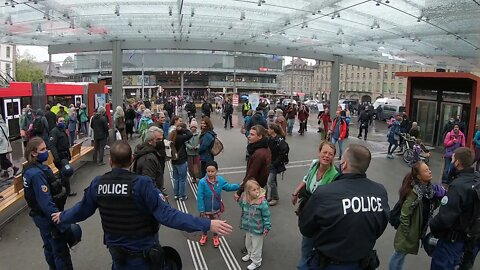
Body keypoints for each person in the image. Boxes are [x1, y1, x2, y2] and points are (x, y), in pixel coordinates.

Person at [51, 141, 233, 270]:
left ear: (110, 161)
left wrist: (62, 216)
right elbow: (168, 216)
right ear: (131, 159)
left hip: (117, 255)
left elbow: (82, 210)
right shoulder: (142, 184)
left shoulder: (99, 183)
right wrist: (207, 224)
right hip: (143, 255)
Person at [298, 144, 389, 270]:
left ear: (344, 165)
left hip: (329, 263)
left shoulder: (324, 193)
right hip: (361, 262)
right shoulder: (380, 192)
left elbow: (306, 228)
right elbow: (380, 225)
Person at [23, 137, 76, 270]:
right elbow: (45, 202)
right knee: (59, 251)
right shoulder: (36, 175)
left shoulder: (32, 169)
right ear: (34, 153)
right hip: (48, 218)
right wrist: (61, 221)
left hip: (41, 217)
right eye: (42, 149)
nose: (46, 151)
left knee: (49, 247)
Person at [429, 147, 480, 270]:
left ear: (457, 162)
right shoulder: (476, 178)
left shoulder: (457, 186)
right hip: (469, 240)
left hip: (451, 243)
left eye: (452, 159)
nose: (451, 162)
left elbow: (444, 219)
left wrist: (432, 224)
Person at [388, 161, 445, 270]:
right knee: (398, 254)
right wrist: (406, 233)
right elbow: (404, 215)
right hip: (408, 232)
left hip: (417, 230)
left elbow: (430, 209)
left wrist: (439, 198)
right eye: (426, 171)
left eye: (429, 169)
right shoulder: (414, 192)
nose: (430, 172)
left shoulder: (429, 190)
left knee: (402, 254)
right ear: (419, 176)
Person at [291, 141, 339, 269]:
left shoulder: (335, 175)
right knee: (307, 239)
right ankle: (305, 262)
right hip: (308, 207)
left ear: (333, 157)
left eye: (330, 154)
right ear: (319, 153)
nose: (326, 156)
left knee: (316, 241)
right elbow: (306, 178)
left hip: (322, 213)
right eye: (324, 152)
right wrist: (296, 191)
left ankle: (306, 265)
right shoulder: (314, 164)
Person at [197, 160, 240, 247]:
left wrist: (240, 186)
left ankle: (215, 237)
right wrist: (201, 209)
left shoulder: (220, 180)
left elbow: (228, 187)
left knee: (216, 224)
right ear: (206, 171)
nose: (210, 173)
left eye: (212, 171)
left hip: (216, 209)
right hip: (206, 209)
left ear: (217, 171)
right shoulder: (202, 182)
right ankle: (204, 235)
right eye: (208, 171)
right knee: (204, 223)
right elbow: (200, 197)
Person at [239, 178, 271, 270]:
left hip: (258, 228)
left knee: (256, 246)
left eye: (258, 188)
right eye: (254, 190)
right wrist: (240, 199)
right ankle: (249, 254)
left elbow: (266, 216)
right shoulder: (246, 200)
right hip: (248, 227)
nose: (257, 191)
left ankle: (256, 261)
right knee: (248, 243)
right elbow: (242, 206)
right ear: (248, 192)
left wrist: (267, 227)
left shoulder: (262, 203)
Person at [235, 125, 271, 200]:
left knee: (252, 210)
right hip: (260, 186)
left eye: (252, 134)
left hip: (255, 188)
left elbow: (251, 175)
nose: (248, 136)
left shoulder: (258, 154)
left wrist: (239, 192)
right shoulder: (265, 148)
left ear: (260, 136)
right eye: (249, 134)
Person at [132, 126, 167, 195]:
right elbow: (148, 183)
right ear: (150, 141)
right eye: (158, 139)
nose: (161, 142)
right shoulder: (149, 158)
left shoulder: (150, 152)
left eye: (162, 139)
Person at [48, 116, 76, 197]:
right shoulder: (54, 132)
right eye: (60, 121)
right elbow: (52, 146)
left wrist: (69, 154)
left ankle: (59, 190)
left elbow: (66, 144)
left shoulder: (63, 130)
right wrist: (56, 158)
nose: (62, 122)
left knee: (62, 174)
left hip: (65, 155)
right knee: (66, 173)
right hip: (60, 157)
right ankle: (68, 191)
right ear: (56, 122)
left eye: (63, 121)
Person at [169, 122, 193, 201]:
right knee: (182, 179)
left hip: (174, 160)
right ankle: (182, 196)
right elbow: (190, 134)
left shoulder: (171, 137)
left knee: (176, 178)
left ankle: (176, 195)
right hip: (181, 160)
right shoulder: (180, 138)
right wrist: (183, 129)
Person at [266, 124, 288, 206]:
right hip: (271, 162)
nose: (268, 130)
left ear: (273, 130)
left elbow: (283, 151)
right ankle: (272, 196)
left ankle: (275, 198)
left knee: (270, 181)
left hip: (274, 163)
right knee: (273, 180)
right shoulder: (271, 138)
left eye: (269, 128)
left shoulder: (279, 139)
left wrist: (276, 162)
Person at [186, 119, 201, 183]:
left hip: (197, 153)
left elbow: (200, 142)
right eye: (192, 127)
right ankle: (193, 177)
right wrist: (190, 147)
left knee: (197, 166)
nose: (193, 128)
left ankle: (198, 177)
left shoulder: (199, 134)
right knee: (191, 167)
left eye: (194, 127)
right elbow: (186, 142)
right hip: (190, 153)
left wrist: (197, 147)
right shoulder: (188, 134)